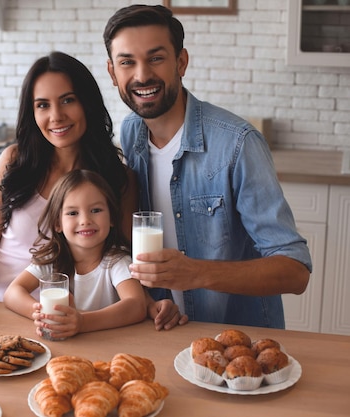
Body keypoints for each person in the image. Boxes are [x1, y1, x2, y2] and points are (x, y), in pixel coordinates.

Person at [0, 51, 185, 330]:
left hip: (67, 322)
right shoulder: (14, 161)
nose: (56, 116)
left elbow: (123, 256)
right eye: (42, 105)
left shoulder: (116, 177)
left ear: (86, 103)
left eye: (67, 100)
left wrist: (151, 304)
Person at [102, 4, 312, 328]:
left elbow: (295, 271)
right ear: (112, 72)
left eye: (156, 58)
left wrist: (195, 272)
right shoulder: (131, 132)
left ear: (181, 62)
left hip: (237, 342)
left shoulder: (238, 144)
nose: (142, 75)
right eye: (127, 62)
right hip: (167, 333)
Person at [4, 169, 163, 339]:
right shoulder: (51, 260)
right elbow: (12, 293)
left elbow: (136, 305)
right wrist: (42, 315)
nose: (85, 220)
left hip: (108, 349)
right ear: (58, 223)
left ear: (112, 218)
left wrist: (82, 322)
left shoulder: (116, 261)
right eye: (73, 213)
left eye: (95, 210)